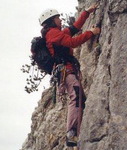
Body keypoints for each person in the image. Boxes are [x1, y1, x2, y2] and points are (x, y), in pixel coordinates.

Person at [39, 3, 100, 147]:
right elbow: (73, 42)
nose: (60, 20)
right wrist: (91, 32)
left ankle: (76, 130)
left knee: (79, 98)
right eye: (57, 18)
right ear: (51, 21)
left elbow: (73, 29)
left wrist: (86, 12)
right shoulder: (53, 34)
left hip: (67, 70)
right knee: (76, 95)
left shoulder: (57, 33)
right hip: (65, 71)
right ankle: (71, 134)